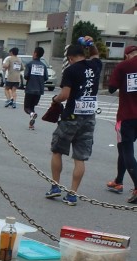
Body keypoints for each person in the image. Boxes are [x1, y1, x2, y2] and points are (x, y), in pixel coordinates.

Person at [44, 37, 101, 206]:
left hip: (71, 117)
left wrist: (55, 99)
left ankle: (55, 186)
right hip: (89, 117)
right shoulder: (96, 66)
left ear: (70, 58)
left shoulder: (71, 70)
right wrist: (91, 45)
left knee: (57, 150)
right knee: (80, 158)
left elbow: (65, 95)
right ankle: (72, 194)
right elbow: (96, 54)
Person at [107, 44, 137, 204]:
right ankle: (118, 181)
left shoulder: (124, 66)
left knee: (127, 150)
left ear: (126, 55)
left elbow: (111, 88)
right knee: (122, 148)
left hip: (128, 115)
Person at [23, 46, 48, 130]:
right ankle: (31, 124)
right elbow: (46, 77)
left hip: (30, 89)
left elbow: (26, 76)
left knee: (27, 108)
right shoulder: (43, 66)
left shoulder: (29, 64)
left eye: (33, 52)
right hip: (39, 90)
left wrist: (31, 77)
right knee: (32, 106)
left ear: (35, 53)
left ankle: (32, 114)